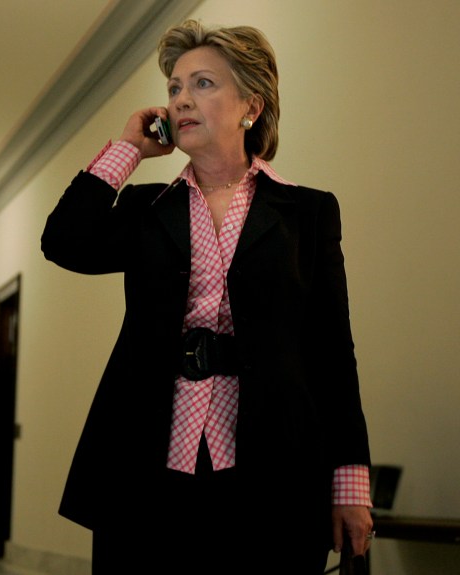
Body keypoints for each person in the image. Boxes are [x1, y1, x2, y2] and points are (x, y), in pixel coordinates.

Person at [42, 20, 374, 574]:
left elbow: (332, 352)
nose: (180, 101)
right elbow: (64, 242)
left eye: (203, 84)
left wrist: (350, 484)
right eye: (174, 87)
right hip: (146, 463)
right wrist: (127, 150)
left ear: (251, 105)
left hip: (275, 465)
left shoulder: (308, 213)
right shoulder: (149, 209)